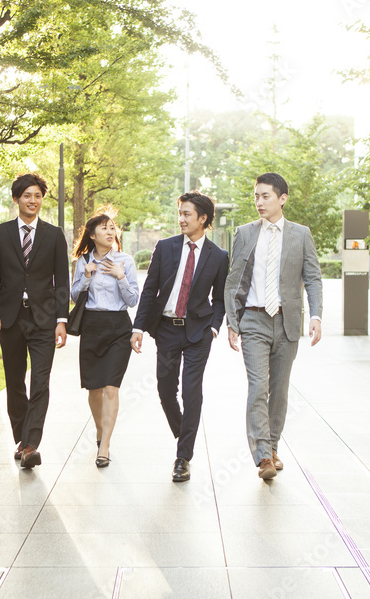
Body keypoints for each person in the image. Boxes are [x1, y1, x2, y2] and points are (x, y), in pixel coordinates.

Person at [225, 172, 323, 480]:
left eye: (265, 196)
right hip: (253, 318)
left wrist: (317, 315)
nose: (259, 202)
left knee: (279, 390)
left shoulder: (301, 234)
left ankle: (273, 446)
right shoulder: (244, 233)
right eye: (255, 196)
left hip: (288, 321)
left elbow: (313, 277)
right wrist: (232, 320)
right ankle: (263, 455)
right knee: (258, 387)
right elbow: (234, 279)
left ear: (282, 198)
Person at [131, 192, 228, 482]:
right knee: (165, 389)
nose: (181, 219)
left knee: (191, 390)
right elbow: (149, 290)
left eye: (187, 214)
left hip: (199, 332)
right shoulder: (165, 247)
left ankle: (182, 456)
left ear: (203, 219)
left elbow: (220, 298)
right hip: (167, 329)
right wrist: (137, 327)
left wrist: (214, 327)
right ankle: (183, 433)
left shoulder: (219, 256)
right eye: (180, 213)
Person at [0, 173, 70, 469]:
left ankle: (31, 444)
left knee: (40, 381)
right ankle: (21, 438)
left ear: (42, 200)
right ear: (16, 199)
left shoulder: (54, 234)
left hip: (44, 319)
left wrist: (62, 319)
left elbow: (62, 281)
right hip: (10, 318)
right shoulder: (0, 233)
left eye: (38, 196)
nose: (33, 201)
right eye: (27, 195)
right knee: (14, 381)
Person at [70, 212, 139, 467]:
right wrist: (86, 277)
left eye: (113, 228)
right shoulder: (82, 262)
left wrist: (120, 276)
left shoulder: (125, 261)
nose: (110, 232)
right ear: (92, 234)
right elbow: (75, 296)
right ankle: (100, 430)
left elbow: (133, 300)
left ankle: (105, 445)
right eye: (104, 228)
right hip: (92, 326)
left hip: (118, 327)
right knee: (94, 388)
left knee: (111, 387)